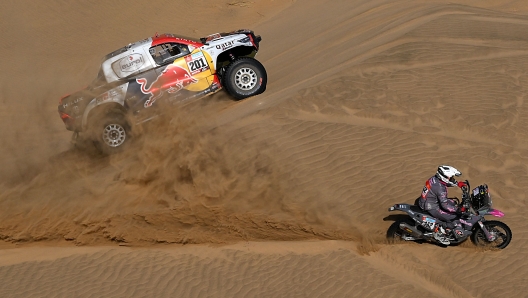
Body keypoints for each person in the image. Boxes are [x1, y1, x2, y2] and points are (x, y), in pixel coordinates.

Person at [418, 165, 467, 245]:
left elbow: (445, 183)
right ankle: (439, 233)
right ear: (443, 176)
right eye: (450, 178)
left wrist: (458, 184)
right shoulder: (440, 188)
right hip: (431, 207)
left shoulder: (435, 179)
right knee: (453, 217)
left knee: (453, 202)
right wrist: (458, 210)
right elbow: (445, 205)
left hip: (428, 201)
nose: (451, 179)